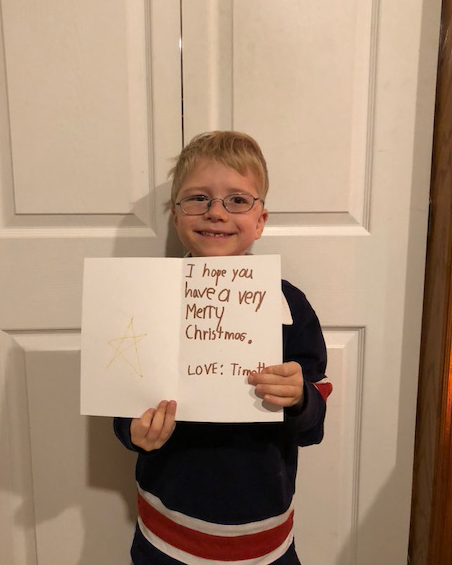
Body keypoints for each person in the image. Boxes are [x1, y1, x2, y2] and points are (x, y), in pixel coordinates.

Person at [114, 131, 332, 565]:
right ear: (176, 216)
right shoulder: (147, 300)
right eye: (198, 198)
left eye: (237, 200)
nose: (216, 212)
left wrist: (300, 398)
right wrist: (132, 431)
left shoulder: (290, 306)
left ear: (261, 220)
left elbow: (314, 424)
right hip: (165, 534)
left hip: (264, 538)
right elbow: (122, 399)